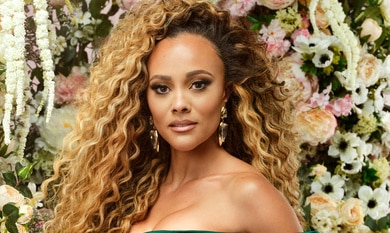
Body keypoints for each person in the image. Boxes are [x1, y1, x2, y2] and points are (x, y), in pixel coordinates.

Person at [43, 0, 316, 232]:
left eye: (198, 84)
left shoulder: (249, 193)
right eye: (161, 88)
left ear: (225, 92)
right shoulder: (126, 190)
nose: (179, 104)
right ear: (144, 99)